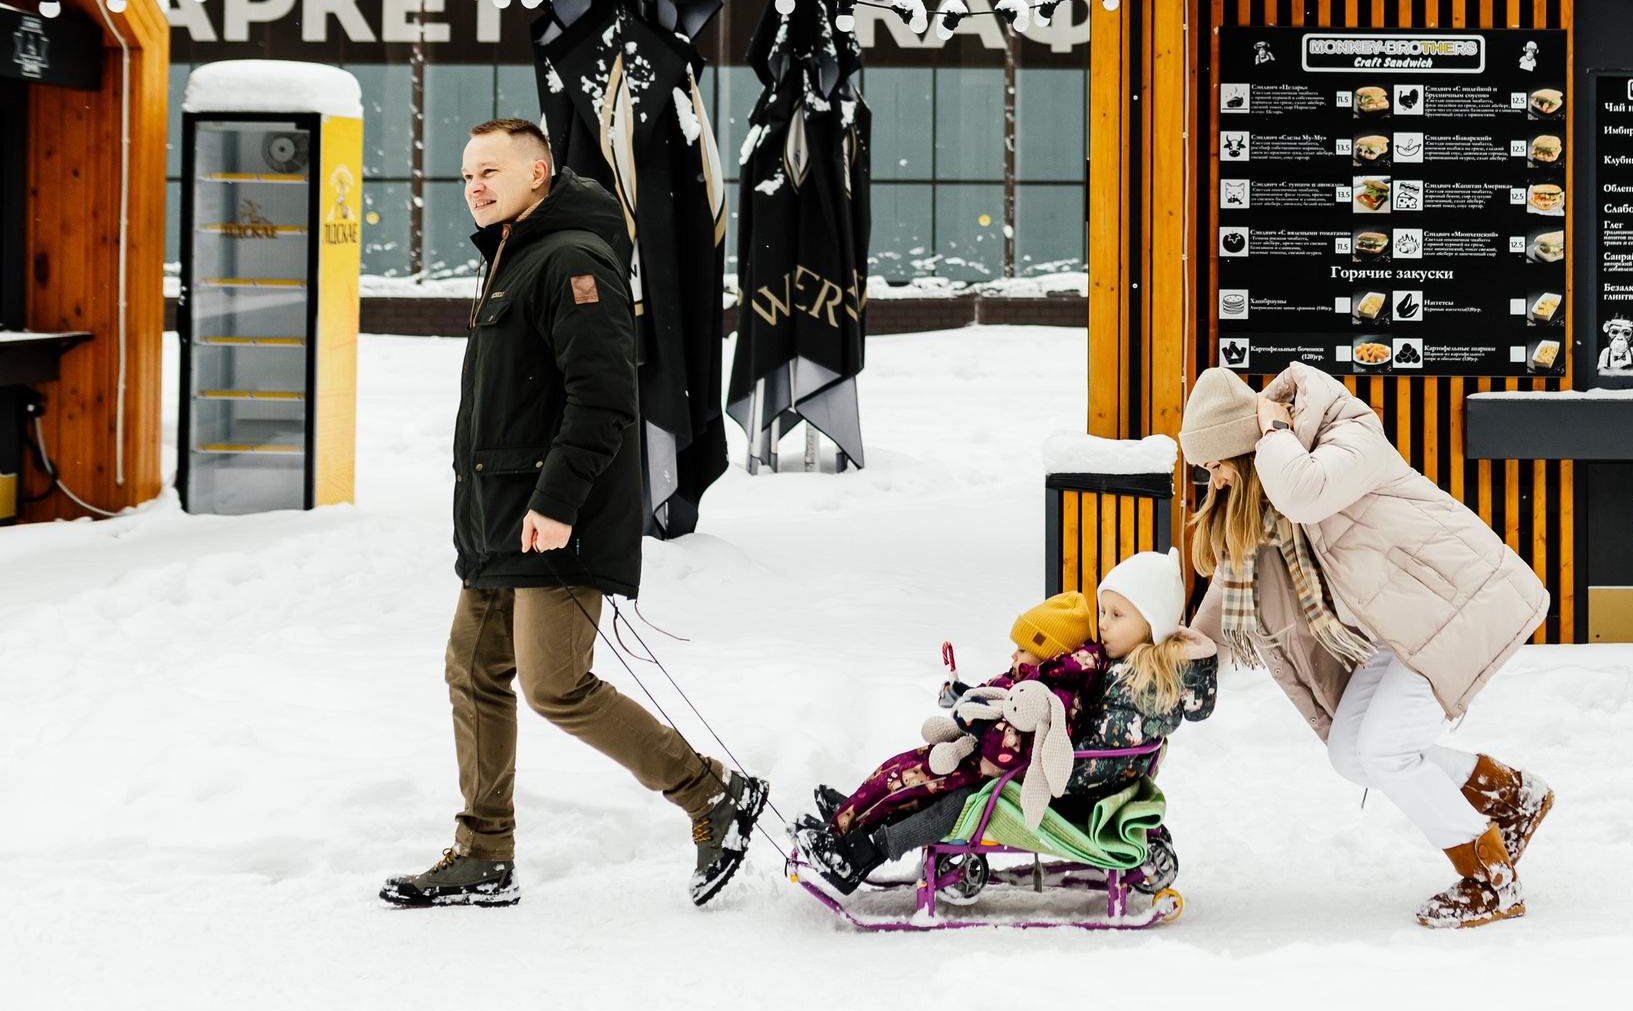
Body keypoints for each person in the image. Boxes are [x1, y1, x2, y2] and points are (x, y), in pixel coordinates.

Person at [381, 118, 766, 911]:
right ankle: (483, 852)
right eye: (465, 175)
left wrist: (555, 504)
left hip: (555, 516)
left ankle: (711, 794)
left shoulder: (573, 261)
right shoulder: (516, 259)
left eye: (491, 169)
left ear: (538, 172)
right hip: (500, 516)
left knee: (556, 682)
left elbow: (602, 401)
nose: (475, 186)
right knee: (473, 669)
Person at [1182, 363, 1552, 929]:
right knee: (1352, 753)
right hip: (1411, 623)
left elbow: (1306, 492)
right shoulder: (1273, 488)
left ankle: (1490, 878)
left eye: (1215, 464)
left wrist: (1274, 432)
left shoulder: (1346, 434)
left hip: (1469, 602)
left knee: (1385, 751)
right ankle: (1510, 795)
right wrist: (1184, 651)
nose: (1213, 478)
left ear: (1246, 447)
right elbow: (1236, 580)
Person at [791, 553, 1214, 899]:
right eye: (1104, 610)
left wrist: (1023, 749)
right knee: (928, 768)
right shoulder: (1116, 667)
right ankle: (852, 820)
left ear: (1152, 624)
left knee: (952, 801)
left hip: (1061, 785)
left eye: (1117, 614)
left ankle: (863, 851)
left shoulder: (1142, 686)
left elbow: (1095, 752)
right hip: (1043, 767)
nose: (1102, 623)